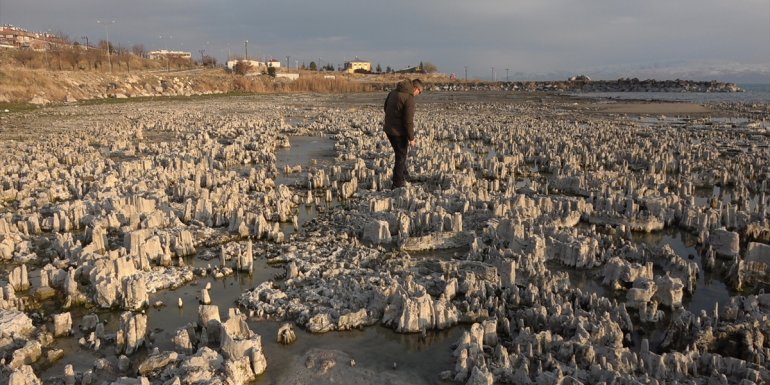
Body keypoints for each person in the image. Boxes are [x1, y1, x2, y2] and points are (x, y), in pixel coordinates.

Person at [383, 78, 423, 189]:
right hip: (398, 132)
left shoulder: (393, 92)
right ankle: (397, 184)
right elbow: (408, 121)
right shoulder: (409, 98)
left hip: (388, 129)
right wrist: (411, 138)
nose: (418, 94)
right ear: (416, 88)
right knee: (400, 157)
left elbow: (385, 107)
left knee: (400, 153)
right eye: (419, 92)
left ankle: (404, 174)